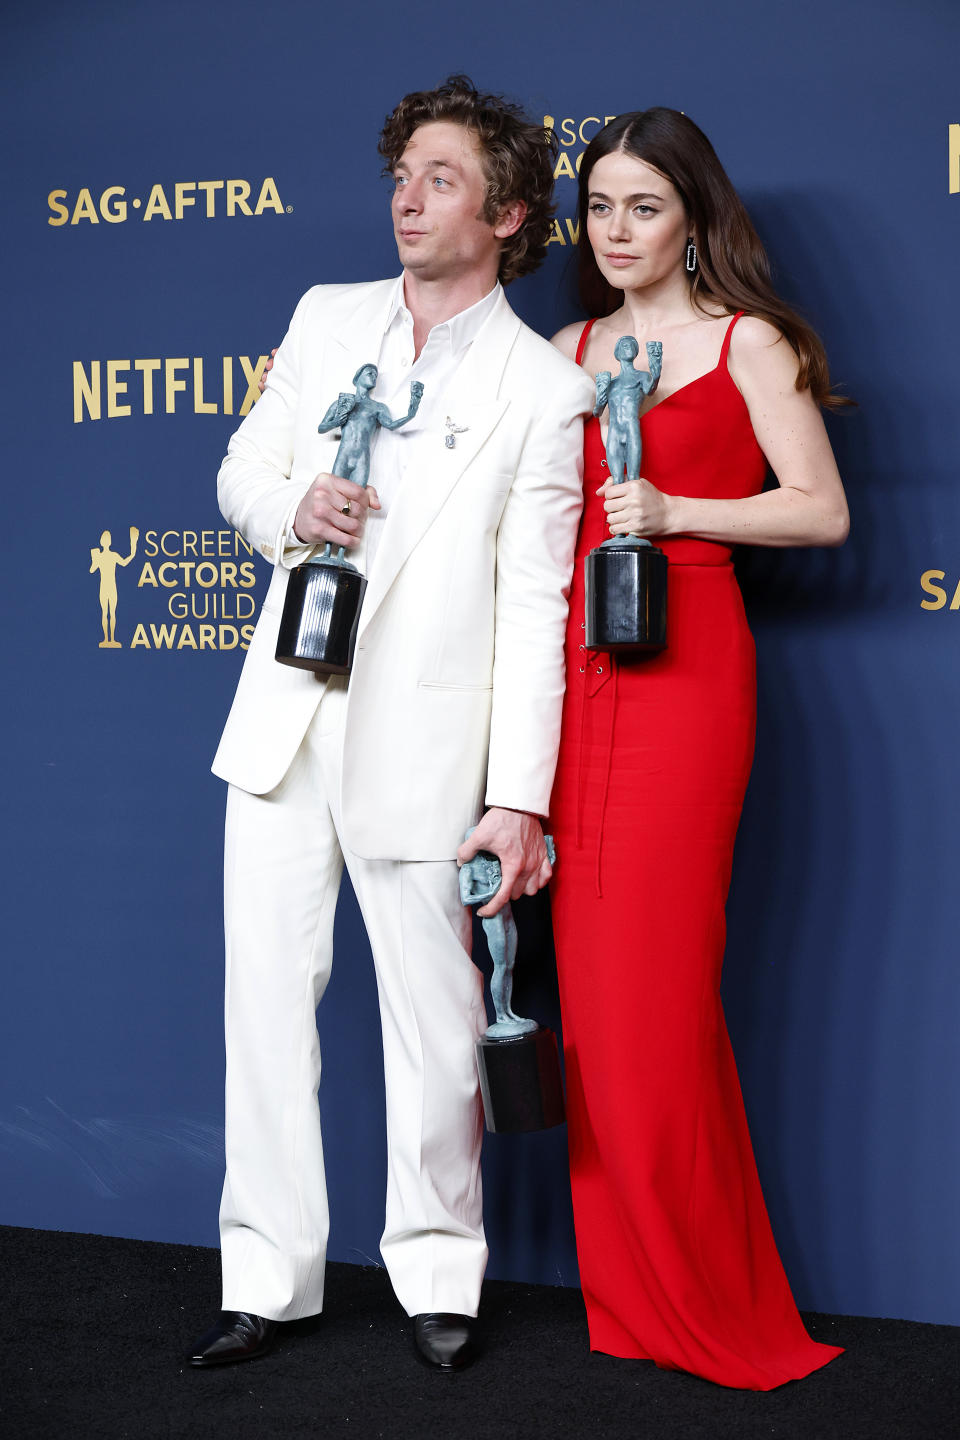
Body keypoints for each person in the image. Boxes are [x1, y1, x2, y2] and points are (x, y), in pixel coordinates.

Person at [185, 76, 593, 1373]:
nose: (410, 200)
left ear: (512, 211)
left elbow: (536, 610)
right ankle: (266, 1278)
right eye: (402, 176)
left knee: (431, 1026)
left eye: (445, 179)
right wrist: (290, 508)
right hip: (285, 726)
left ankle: (437, 1279)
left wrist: (518, 793)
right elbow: (240, 468)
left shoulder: (545, 390)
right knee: (264, 1011)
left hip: (426, 749)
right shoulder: (328, 317)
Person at [547, 108, 850, 1390]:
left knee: (657, 995)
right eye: (601, 209)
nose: (618, 234)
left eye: (645, 209)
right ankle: (628, 1297)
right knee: (589, 1005)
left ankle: (705, 1298)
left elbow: (822, 509)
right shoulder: (563, 347)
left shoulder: (749, 342)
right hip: (570, 671)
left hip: (687, 667)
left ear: (692, 217)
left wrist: (677, 509)